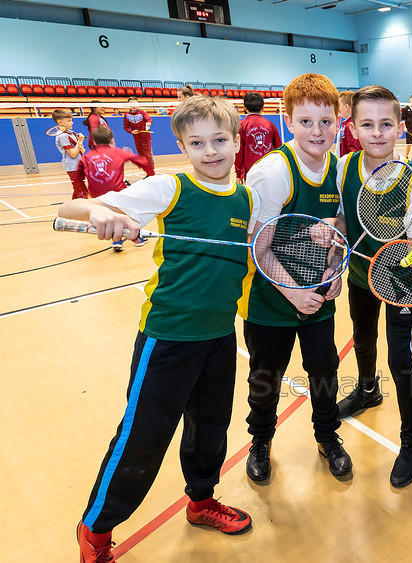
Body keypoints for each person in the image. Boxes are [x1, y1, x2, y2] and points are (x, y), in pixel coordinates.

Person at [63, 95, 260, 561]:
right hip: (168, 337)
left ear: (236, 141)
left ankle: (201, 500)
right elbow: (74, 208)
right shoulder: (168, 187)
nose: (210, 151)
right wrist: (100, 212)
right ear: (181, 145)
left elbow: (246, 258)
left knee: (209, 429)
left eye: (219, 140)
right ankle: (95, 532)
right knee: (143, 437)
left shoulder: (245, 195)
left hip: (219, 336)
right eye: (197, 143)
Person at [238, 73, 351, 483]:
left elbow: (339, 230)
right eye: (306, 122)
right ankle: (261, 441)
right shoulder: (272, 173)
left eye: (325, 121)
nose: (317, 131)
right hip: (271, 302)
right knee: (265, 378)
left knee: (324, 371)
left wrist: (334, 266)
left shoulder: (338, 170)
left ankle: (328, 437)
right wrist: (293, 293)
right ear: (287, 121)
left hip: (318, 298)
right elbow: (257, 247)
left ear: (338, 120)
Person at [334, 84, 412, 487]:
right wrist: (333, 234)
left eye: (385, 124)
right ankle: (366, 390)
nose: (377, 133)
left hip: (399, 280)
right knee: (362, 339)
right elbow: (346, 222)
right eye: (367, 124)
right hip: (360, 276)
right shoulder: (343, 168)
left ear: (400, 127)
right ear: (354, 128)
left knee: (401, 360)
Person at [79, 126, 154, 251]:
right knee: (128, 213)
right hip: (117, 192)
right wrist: (151, 176)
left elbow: (78, 176)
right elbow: (143, 162)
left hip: (96, 195)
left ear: (95, 142)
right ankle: (136, 238)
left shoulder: (86, 157)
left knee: (111, 216)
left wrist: (84, 191)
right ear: (112, 140)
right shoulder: (119, 152)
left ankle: (117, 241)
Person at [235, 92, 282, 183]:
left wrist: (239, 173)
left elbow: (238, 151)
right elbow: (279, 148)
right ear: (263, 108)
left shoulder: (241, 126)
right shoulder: (270, 125)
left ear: (244, 108)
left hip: (250, 172)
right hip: (270, 170)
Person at [50, 108, 88, 199]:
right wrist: (79, 141)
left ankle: (75, 210)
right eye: (69, 121)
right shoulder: (62, 136)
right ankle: (81, 209)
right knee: (81, 191)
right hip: (72, 166)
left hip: (80, 163)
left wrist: (80, 143)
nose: (72, 123)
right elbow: (73, 154)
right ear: (60, 122)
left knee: (79, 190)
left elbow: (82, 151)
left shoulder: (71, 133)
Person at [123, 96, 155, 176]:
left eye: (135, 103)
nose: (134, 105)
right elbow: (126, 127)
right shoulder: (126, 115)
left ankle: (151, 173)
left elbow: (149, 120)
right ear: (128, 105)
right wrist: (131, 132)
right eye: (131, 104)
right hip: (136, 138)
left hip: (146, 138)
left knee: (147, 155)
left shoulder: (142, 112)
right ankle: (147, 172)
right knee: (141, 155)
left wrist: (148, 123)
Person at [338, 90, 362, 157]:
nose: (339, 109)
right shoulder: (346, 124)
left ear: (346, 107)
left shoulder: (351, 125)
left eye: (339, 105)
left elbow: (355, 150)